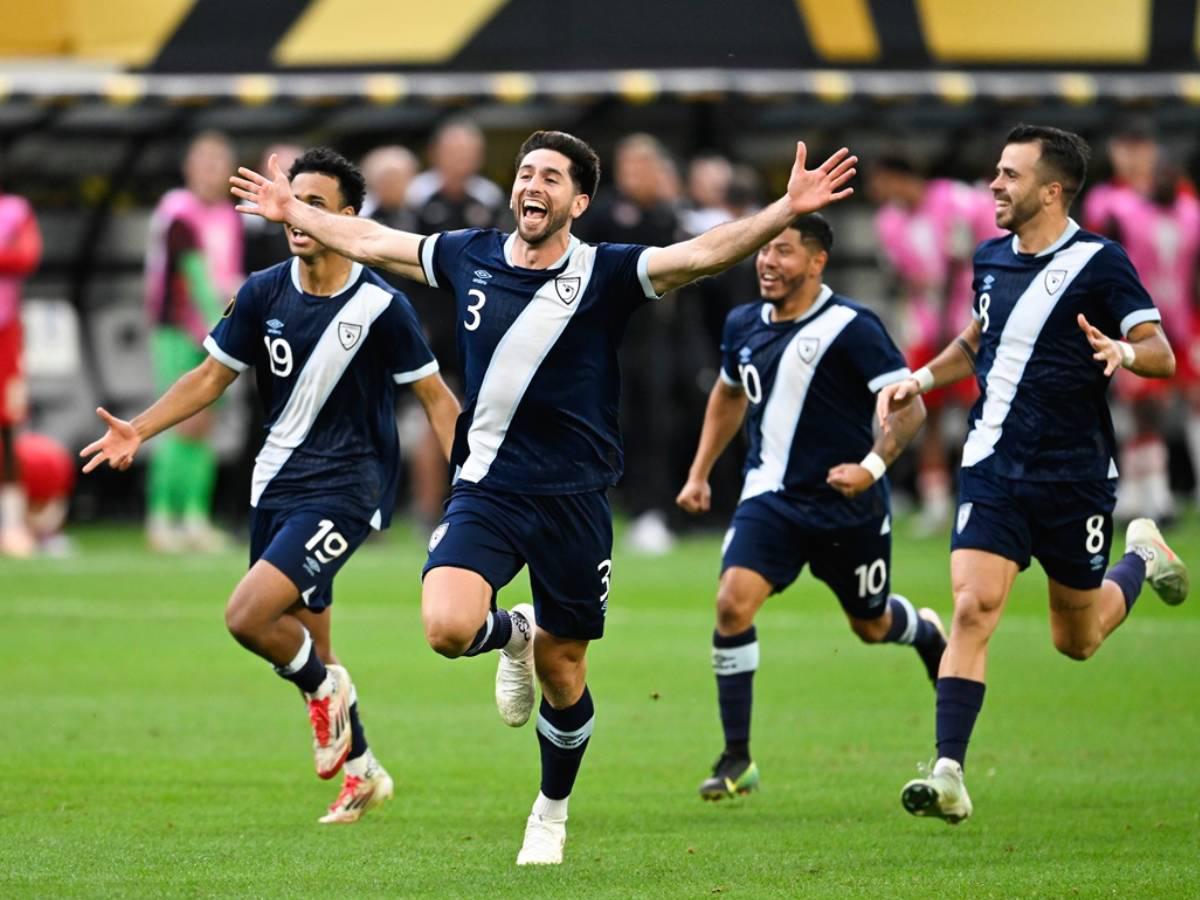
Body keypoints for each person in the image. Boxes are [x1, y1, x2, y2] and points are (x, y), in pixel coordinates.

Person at [230, 130, 856, 864]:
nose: (534, 185)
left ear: (579, 201)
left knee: (565, 673)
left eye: (552, 178)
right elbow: (373, 239)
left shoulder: (608, 272)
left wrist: (784, 208)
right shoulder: (470, 254)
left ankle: (551, 810)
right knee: (447, 628)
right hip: (488, 489)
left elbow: (699, 255)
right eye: (526, 172)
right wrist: (294, 212)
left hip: (575, 500)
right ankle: (511, 633)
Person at [84, 148, 461, 825]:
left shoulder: (382, 305)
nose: (297, 215)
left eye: (316, 204)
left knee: (248, 616)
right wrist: (138, 430)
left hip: (350, 489)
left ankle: (325, 690)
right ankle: (363, 771)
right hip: (277, 485)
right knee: (311, 642)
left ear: (350, 218)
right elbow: (209, 377)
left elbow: (436, 399)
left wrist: (476, 486)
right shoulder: (262, 291)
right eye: (293, 199)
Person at [877, 125, 1189, 825]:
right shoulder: (988, 258)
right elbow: (978, 337)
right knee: (971, 608)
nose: (994, 184)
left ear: (1052, 190)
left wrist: (1124, 354)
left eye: (1010, 175)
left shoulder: (1102, 264)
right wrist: (920, 379)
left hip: (1073, 475)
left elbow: (1161, 351)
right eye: (996, 171)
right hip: (993, 466)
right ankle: (950, 771)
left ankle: (1141, 554)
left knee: (1075, 640)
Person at [675, 214, 945, 801]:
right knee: (731, 605)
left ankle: (924, 631)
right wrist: (699, 473)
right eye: (764, 251)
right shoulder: (742, 323)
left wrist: (870, 467)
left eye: (784, 252)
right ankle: (737, 757)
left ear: (817, 262)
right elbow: (726, 393)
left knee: (870, 626)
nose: (768, 262)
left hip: (848, 507)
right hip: (770, 499)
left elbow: (910, 408)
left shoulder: (853, 327)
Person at [868, 155, 1003, 534]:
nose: (879, 193)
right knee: (924, 410)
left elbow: (992, 244)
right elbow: (900, 275)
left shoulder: (956, 199)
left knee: (980, 409)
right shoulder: (889, 222)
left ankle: (984, 495)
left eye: (883, 182)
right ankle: (935, 501)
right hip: (925, 325)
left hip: (969, 319)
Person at [1082, 123, 1200, 521]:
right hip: (1135, 322)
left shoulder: (1184, 202)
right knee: (1141, 407)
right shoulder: (1107, 202)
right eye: (1127, 149)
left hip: (1184, 319)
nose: (1135, 158)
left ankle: (1158, 493)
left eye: (1142, 148)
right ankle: (1148, 494)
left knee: (1187, 403)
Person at [143, 131, 244, 552]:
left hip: (213, 330)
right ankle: (161, 516)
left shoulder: (229, 216)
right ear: (189, 168)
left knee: (206, 424)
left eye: (219, 162)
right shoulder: (177, 211)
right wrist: (212, 327)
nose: (211, 170)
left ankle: (194, 516)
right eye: (204, 161)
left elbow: (229, 278)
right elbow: (193, 278)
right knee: (176, 419)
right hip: (176, 329)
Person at [0, 177, 41, 557]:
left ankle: (11, 523)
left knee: (8, 424)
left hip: (6, 335)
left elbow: (27, 255)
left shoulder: (15, 210)